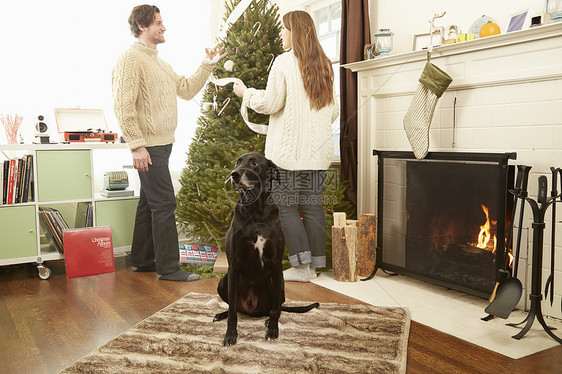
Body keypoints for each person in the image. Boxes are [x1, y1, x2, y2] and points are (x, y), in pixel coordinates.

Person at [112, 4, 223, 281]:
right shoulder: (130, 58)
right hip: (147, 146)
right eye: (158, 23)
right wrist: (136, 145)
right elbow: (123, 105)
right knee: (164, 204)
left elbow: (185, 89)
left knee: (148, 203)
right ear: (142, 26)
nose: (164, 27)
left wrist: (207, 64)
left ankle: (141, 259)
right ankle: (169, 268)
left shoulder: (160, 63)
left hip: (162, 144)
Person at [233, 10, 339, 282]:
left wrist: (247, 94)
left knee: (288, 208)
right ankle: (316, 265)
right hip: (318, 155)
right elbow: (333, 110)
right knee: (313, 208)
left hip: (289, 156)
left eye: (284, 29)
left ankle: (302, 268)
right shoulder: (324, 63)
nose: (281, 33)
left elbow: (270, 103)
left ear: (295, 31)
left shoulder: (283, 62)